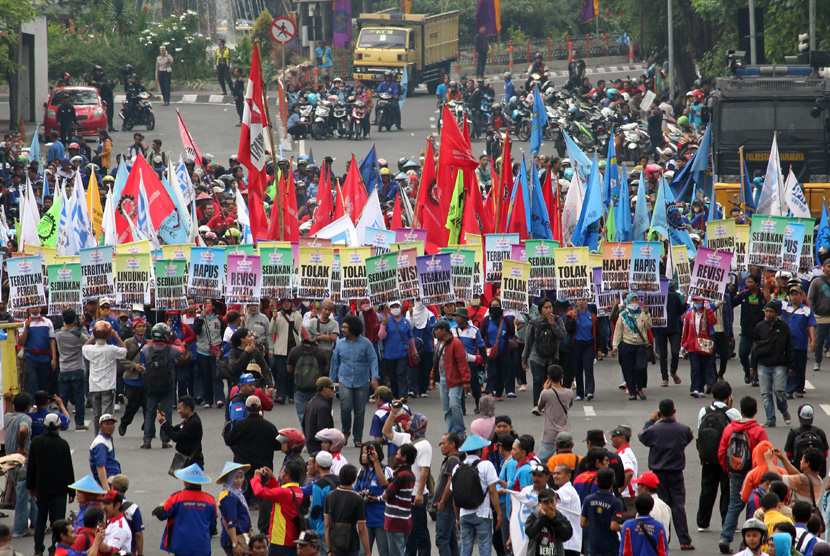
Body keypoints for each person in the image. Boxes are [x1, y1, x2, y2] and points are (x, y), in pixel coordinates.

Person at [638, 399, 695, 550]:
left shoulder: (654, 430)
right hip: (676, 472)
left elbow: (642, 436)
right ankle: (684, 540)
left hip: (658, 473)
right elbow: (689, 437)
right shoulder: (683, 429)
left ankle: (664, 539)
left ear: (660, 413)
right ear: (674, 411)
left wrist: (651, 421)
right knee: (678, 506)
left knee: (662, 506)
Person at [718, 396, 770, 553]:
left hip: (736, 472)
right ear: (756, 411)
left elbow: (721, 452)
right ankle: (752, 538)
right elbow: (766, 452)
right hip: (755, 474)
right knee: (755, 505)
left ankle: (725, 538)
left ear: (740, 410)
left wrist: (729, 471)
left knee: (734, 505)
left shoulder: (730, 428)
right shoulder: (758, 430)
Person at [224, 395, 281, 535]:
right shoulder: (269, 426)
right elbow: (278, 445)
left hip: (244, 468)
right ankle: (265, 530)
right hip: (264, 468)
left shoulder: (240, 425)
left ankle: (243, 529)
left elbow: (230, 441)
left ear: (246, 409)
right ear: (261, 408)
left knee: (242, 498)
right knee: (264, 501)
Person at [382, 407, 432, 556]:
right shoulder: (406, 438)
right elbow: (386, 432)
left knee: (419, 530)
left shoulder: (424, 445)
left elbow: (424, 471)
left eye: (411, 421)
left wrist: (419, 493)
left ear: (419, 424)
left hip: (416, 493)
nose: (407, 422)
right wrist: (393, 413)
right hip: (405, 493)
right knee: (408, 531)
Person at [696, 380, 741, 533]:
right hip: (727, 458)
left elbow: (699, 431)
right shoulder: (733, 413)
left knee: (707, 489)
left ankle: (703, 522)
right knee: (727, 490)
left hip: (708, 456)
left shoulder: (704, 410)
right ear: (729, 396)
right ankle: (727, 522)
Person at [27, 413, 74, 556]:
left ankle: (38, 549)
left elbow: (31, 467)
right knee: (58, 520)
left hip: (42, 488)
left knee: (41, 518)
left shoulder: (36, 442)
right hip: (60, 489)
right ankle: (54, 548)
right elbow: (68, 469)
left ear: (45, 426)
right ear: (59, 426)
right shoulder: (63, 444)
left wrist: (31, 486)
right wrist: (72, 491)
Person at [330, 315, 379, 447]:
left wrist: (374, 377)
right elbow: (335, 363)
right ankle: (345, 432)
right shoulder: (340, 343)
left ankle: (358, 438)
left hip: (362, 381)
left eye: (345, 327)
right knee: (345, 408)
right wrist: (330, 382)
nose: (343, 329)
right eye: (343, 327)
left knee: (359, 411)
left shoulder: (366, 343)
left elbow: (373, 359)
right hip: (344, 381)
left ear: (353, 328)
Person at [451, 435, 502, 556]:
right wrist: (499, 513)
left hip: (464, 515)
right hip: (483, 514)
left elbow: (455, 496)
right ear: (480, 450)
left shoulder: (457, 468)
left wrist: (457, 518)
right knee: (484, 547)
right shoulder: (486, 465)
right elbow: (493, 491)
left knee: (465, 549)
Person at [153, 464, 217, 556]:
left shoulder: (177, 498)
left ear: (185, 482)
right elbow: (213, 527)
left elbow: (161, 515)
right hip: (202, 548)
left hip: (181, 547)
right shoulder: (210, 500)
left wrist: (161, 505)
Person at [750, 300, 795, 427]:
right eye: (766, 311)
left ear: (777, 313)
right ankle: (770, 419)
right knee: (765, 393)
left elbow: (790, 347)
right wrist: (752, 366)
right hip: (763, 364)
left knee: (779, 391)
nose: (768, 314)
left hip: (779, 364)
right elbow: (755, 348)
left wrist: (791, 366)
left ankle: (783, 409)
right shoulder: (760, 327)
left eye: (771, 311)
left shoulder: (784, 327)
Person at [139, 323, 183, 449]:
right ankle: (165, 439)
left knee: (150, 412)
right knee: (167, 412)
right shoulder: (171, 349)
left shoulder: (146, 349)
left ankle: (147, 440)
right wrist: (176, 338)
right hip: (167, 385)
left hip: (151, 385)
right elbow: (182, 350)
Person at [250, 459, 305, 554]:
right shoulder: (298, 491)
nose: (281, 472)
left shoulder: (284, 492)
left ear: (287, 475)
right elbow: (279, 493)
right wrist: (271, 479)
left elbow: (259, 492)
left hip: (280, 539)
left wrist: (256, 478)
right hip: (292, 537)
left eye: (283, 471)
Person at [83, 322, 127, 434]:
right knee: (107, 416)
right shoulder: (112, 349)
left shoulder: (90, 349)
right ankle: (105, 437)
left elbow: (84, 347)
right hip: (108, 386)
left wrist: (94, 336)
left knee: (97, 415)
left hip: (94, 387)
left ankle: (97, 436)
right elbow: (124, 351)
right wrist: (116, 336)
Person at [430, 319, 472, 437]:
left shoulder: (456, 344)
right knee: (446, 409)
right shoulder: (439, 344)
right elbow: (436, 361)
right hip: (443, 380)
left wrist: (466, 381)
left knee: (454, 405)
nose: (434, 332)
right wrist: (433, 377)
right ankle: (451, 432)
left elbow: (462, 363)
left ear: (444, 330)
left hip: (455, 380)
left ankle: (461, 432)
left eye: (436, 329)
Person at [612, 294, 653, 400]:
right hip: (627, 345)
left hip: (640, 345)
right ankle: (632, 391)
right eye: (632, 300)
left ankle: (640, 388)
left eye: (636, 300)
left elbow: (649, 326)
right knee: (628, 369)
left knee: (641, 367)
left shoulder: (642, 313)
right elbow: (618, 331)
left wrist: (647, 313)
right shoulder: (623, 315)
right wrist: (615, 346)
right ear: (628, 302)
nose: (634, 302)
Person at [325, 465, 371, 556]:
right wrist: (368, 551)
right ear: (354, 479)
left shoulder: (329, 496)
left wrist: (329, 549)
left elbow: (327, 525)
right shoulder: (358, 499)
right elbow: (362, 528)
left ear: (339, 476)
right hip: (351, 543)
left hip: (335, 544)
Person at [731, 273, 769, 384]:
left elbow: (770, 302)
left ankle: (755, 376)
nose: (748, 284)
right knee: (743, 353)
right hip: (746, 330)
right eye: (747, 281)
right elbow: (733, 302)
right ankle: (747, 372)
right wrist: (731, 291)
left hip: (759, 331)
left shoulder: (762, 295)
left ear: (757, 283)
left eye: (751, 282)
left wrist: (766, 287)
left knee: (756, 354)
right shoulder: (743, 294)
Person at [54, 309, 89, 430]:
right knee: (79, 397)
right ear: (75, 320)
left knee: (62, 399)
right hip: (77, 369)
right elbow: (89, 341)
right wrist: (82, 326)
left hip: (64, 369)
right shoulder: (78, 335)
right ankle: (79, 422)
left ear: (63, 319)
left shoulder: (58, 334)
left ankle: (62, 422)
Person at [781, 285, 816, 398]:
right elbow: (768, 300)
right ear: (789, 296)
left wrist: (813, 341)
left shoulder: (806, 310)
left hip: (800, 343)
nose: (794, 297)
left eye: (797, 294)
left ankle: (799, 388)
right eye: (792, 294)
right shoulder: (785, 307)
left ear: (801, 296)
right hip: (787, 344)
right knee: (788, 367)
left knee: (800, 367)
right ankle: (789, 389)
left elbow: (811, 326)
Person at [383, 443, 418, 556]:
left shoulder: (401, 475)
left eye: (398, 454)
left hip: (395, 521)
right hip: (405, 520)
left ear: (404, 458)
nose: (395, 456)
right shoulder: (410, 474)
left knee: (396, 553)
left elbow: (387, 494)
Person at [580, 467, 624, 556]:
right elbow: (614, 526)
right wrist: (623, 526)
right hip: (610, 547)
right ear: (612, 482)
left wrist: (595, 524)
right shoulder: (616, 502)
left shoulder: (588, 500)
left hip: (593, 547)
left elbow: (582, 523)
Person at [535, 365, 574, 464]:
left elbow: (539, 407)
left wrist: (544, 389)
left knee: (543, 461)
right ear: (562, 377)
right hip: (565, 431)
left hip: (549, 432)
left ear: (548, 377)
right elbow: (569, 405)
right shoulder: (569, 392)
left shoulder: (546, 393)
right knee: (564, 462)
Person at [378, 301, 416, 399]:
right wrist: (383, 325)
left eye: (397, 306)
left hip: (402, 353)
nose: (395, 308)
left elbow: (410, 338)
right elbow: (381, 336)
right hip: (389, 354)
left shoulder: (405, 321)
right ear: (389, 309)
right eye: (393, 306)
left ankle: (403, 395)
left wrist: (414, 351)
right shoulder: (387, 321)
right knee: (392, 376)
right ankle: (395, 395)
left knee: (401, 374)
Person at [682, 296, 718, 397]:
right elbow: (686, 330)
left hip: (704, 345)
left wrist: (708, 309)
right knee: (695, 367)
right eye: (695, 301)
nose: (696, 302)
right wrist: (683, 344)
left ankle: (701, 388)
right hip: (692, 345)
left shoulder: (706, 313)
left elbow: (713, 321)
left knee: (703, 366)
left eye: (698, 300)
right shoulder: (689, 314)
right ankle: (694, 388)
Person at [192, 299, 225, 409]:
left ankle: (219, 398)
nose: (206, 306)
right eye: (204, 304)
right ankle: (208, 400)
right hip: (202, 351)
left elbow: (223, 334)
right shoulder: (198, 319)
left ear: (213, 307)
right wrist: (201, 317)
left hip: (215, 352)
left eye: (208, 304)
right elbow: (196, 331)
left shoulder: (219, 320)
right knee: (205, 376)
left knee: (217, 375)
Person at [269, 298, 302, 405]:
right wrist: (273, 319)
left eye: (288, 302)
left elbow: (300, 330)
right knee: (281, 373)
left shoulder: (297, 314)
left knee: (292, 373)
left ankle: (291, 395)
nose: (286, 304)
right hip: (281, 349)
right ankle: (281, 394)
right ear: (281, 304)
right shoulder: (277, 315)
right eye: (284, 302)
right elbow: (271, 331)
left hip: (294, 348)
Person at [481, 298, 516, 399]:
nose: (495, 308)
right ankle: (489, 391)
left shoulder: (505, 321)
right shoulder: (487, 320)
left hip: (503, 352)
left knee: (501, 372)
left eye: (497, 305)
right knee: (491, 372)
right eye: (493, 306)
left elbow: (511, 333)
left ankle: (499, 393)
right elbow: (481, 334)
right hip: (490, 352)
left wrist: (514, 325)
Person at [18, 305, 58, 395]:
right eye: (32, 307)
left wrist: (54, 358)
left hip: (45, 358)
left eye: (37, 307)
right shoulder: (24, 323)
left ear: (40, 308)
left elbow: (52, 340)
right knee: (31, 383)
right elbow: (21, 342)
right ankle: (33, 406)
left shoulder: (47, 322)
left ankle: (43, 406)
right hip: (30, 358)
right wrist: (26, 328)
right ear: (29, 309)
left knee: (44, 384)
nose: (35, 309)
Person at [433, 434, 461, 556]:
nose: (441, 446)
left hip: (446, 507)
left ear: (452, 444)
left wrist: (442, 502)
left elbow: (451, 482)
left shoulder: (453, 460)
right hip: (448, 507)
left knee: (442, 540)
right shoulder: (451, 460)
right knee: (451, 541)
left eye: (444, 443)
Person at [216, 462, 252, 556]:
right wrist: (235, 544)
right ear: (230, 479)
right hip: (234, 539)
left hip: (241, 535)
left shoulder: (236, 493)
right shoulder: (229, 497)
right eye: (236, 478)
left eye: (241, 477)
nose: (240, 480)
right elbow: (230, 522)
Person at [158, 395, 204, 470]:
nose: (178, 411)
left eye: (180, 408)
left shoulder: (193, 423)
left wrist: (163, 423)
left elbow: (176, 437)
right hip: (187, 460)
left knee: (190, 482)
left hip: (193, 463)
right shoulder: (188, 420)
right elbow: (174, 430)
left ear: (188, 409)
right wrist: (164, 421)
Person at [784, 404, 828, 478]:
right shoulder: (819, 432)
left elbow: (789, 454)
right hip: (817, 474)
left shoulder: (793, 433)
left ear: (799, 416)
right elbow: (825, 453)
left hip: (798, 473)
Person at [565, 298, 597, 401]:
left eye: (583, 300)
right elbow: (568, 329)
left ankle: (589, 391)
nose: (581, 302)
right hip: (576, 344)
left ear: (587, 301)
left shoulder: (592, 316)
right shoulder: (571, 314)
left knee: (588, 368)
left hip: (589, 344)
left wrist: (599, 349)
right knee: (577, 369)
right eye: (579, 300)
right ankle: (580, 393)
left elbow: (597, 332)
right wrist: (573, 319)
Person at [631, 473, 673, 545]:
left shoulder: (645, 506)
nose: (637, 488)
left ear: (645, 489)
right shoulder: (665, 506)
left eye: (639, 485)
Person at [309, 451, 338, 553]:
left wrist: (312, 528)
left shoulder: (318, 484)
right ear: (331, 464)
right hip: (341, 526)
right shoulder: (339, 480)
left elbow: (315, 509)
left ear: (317, 465)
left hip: (323, 528)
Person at [550, 464, 582, 556]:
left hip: (569, 544)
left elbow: (551, 495)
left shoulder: (568, 490)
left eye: (558, 473)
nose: (555, 476)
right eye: (554, 473)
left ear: (568, 476)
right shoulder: (564, 489)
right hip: (567, 543)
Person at [807, 258, 830, 372]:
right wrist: (811, 312)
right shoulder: (816, 282)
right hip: (820, 317)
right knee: (819, 341)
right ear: (823, 267)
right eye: (828, 266)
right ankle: (817, 361)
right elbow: (810, 298)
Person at [303, 377, 336, 454]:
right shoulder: (323, 406)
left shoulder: (310, 402)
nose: (333, 391)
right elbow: (324, 429)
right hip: (319, 447)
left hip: (311, 444)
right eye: (331, 388)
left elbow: (304, 423)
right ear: (325, 389)